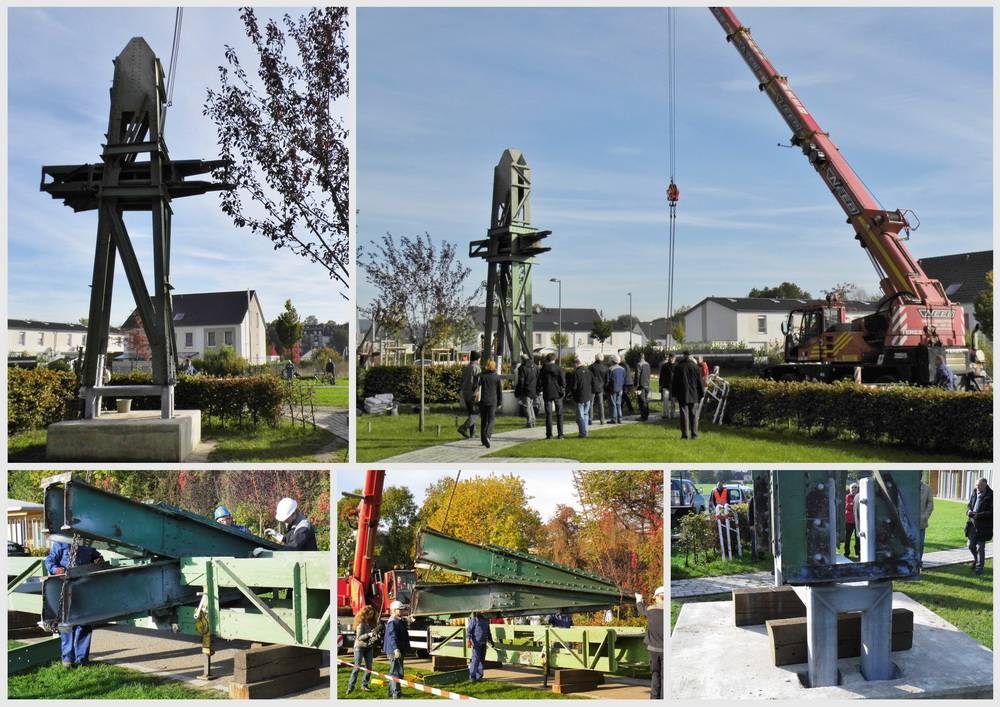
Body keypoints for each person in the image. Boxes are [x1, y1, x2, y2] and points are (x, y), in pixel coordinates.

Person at [45, 540, 105, 667]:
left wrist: (99, 559)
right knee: (67, 623)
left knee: (85, 623)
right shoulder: (60, 543)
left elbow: (97, 555)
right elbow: (49, 561)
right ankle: (67, 659)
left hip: (85, 587)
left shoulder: (86, 543)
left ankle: (82, 659)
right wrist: (56, 570)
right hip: (67, 588)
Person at [635, 587, 664, 700]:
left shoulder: (651, 610)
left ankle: (654, 699)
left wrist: (639, 599)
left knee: (655, 675)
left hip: (653, 650)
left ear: (658, 597)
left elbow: (641, 610)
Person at [670, 352, 705, 439]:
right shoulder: (696, 367)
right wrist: (702, 393)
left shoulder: (678, 367)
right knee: (694, 415)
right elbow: (700, 382)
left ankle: (685, 435)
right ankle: (694, 434)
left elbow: (675, 382)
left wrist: (674, 394)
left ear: (683, 356)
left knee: (684, 415)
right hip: (694, 394)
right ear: (690, 357)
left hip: (682, 394)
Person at [346, 606, 378, 694]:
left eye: (373, 614)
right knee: (357, 667)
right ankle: (350, 687)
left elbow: (372, 635)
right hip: (359, 647)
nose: (371, 616)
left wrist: (375, 637)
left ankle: (364, 685)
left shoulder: (372, 623)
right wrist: (369, 634)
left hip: (369, 648)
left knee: (369, 668)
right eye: (370, 614)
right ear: (365, 614)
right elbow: (359, 637)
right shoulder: (361, 624)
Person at [383, 600, 410, 698]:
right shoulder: (392, 621)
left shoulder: (399, 620)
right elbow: (392, 636)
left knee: (395, 672)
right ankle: (396, 694)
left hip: (398, 649)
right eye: (400, 609)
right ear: (394, 610)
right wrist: (396, 649)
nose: (402, 611)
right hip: (394, 651)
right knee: (396, 672)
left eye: (403, 609)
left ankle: (392, 692)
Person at [965, 477, 992, 575]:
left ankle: (979, 568)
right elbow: (969, 505)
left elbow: (992, 512)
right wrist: (968, 511)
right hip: (972, 524)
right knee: (970, 545)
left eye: (979, 485)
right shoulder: (974, 492)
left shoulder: (991, 495)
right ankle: (976, 560)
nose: (977, 487)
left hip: (984, 526)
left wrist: (979, 515)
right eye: (976, 485)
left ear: (985, 485)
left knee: (981, 548)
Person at [539, 353, 566, 439]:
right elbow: (563, 382)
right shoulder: (558, 368)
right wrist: (562, 388)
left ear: (547, 359)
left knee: (548, 414)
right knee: (559, 414)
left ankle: (549, 434)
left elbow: (540, 381)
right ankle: (560, 434)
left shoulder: (543, 369)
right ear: (554, 359)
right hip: (557, 393)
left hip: (547, 392)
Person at [478, 360, 503, 448]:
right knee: (491, 419)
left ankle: (483, 440)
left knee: (484, 420)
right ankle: (487, 435)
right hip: (493, 401)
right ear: (494, 367)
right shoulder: (496, 377)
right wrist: (500, 402)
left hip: (483, 401)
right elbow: (499, 391)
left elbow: (477, 387)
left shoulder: (482, 376)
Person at [465, 612, 496, 682]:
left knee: (481, 660)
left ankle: (479, 676)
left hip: (483, 643)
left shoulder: (486, 621)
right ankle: (472, 677)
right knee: (475, 660)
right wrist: (468, 640)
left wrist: (491, 641)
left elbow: (488, 632)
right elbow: (469, 631)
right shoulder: (474, 620)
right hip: (476, 643)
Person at [458, 351, 482, 438]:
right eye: (479, 359)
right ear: (477, 359)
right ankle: (463, 428)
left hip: (465, 392)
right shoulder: (477, 368)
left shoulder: (467, 367)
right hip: (473, 393)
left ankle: (472, 433)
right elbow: (478, 383)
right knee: (476, 413)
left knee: (471, 413)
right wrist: (477, 393)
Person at [571, 357, 594, 437]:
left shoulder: (576, 373)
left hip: (579, 397)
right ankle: (586, 431)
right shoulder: (589, 372)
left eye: (573, 365)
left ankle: (583, 433)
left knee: (580, 416)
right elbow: (592, 383)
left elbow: (574, 386)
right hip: (588, 396)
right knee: (585, 414)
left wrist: (572, 395)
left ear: (576, 364)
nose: (573, 367)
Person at [514, 353, 538, 428]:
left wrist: (519, 390)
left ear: (522, 359)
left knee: (527, 406)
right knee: (530, 405)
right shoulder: (534, 366)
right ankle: (533, 420)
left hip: (526, 389)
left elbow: (521, 381)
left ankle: (530, 422)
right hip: (533, 388)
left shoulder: (522, 368)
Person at [589, 354, 609, 425]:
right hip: (601, 387)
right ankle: (602, 420)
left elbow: (589, 378)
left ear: (595, 358)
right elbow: (607, 380)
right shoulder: (605, 367)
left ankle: (590, 419)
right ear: (602, 359)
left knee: (591, 404)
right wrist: (604, 386)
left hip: (592, 387)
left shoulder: (591, 367)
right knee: (601, 404)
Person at [919, 480, 934, 562]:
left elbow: (930, 504)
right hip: (908, 521)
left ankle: (919, 562)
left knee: (920, 544)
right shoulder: (909, 486)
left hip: (921, 521)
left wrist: (925, 516)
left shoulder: (927, 488)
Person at [608, 355, 626, 424]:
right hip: (620, 388)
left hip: (613, 389)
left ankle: (614, 419)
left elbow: (608, 380)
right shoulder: (622, 369)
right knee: (618, 404)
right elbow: (623, 378)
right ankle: (620, 419)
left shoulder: (610, 369)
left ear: (613, 361)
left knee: (613, 404)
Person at [844, 483, 860, 559]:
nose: (854, 489)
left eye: (855, 487)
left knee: (858, 538)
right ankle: (846, 552)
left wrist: (853, 505)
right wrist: (854, 505)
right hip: (849, 521)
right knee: (848, 537)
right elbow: (847, 506)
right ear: (850, 489)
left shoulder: (859, 496)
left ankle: (857, 552)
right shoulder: (847, 496)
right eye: (852, 487)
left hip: (857, 521)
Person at [635, 353, 652, 421]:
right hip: (647, 385)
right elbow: (649, 374)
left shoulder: (638, 364)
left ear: (639, 357)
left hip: (640, 386)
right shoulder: (648, 364)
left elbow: (637, 376)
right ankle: (646, 414)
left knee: (641, 401)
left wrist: (635, 385)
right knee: (646, 400)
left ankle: (643, 416)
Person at [659, 354, 676, 419]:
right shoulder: (665, 366)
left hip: (674, 386)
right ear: (669, 358)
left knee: (673, 401)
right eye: (670, 358)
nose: (671, 359)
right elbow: (661, 376)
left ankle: (673, 414)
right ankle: (665, 414)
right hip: (666, 386)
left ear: (675, 358)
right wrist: (660, 385)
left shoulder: (677, 366)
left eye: (672, 358)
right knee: (665, 401)